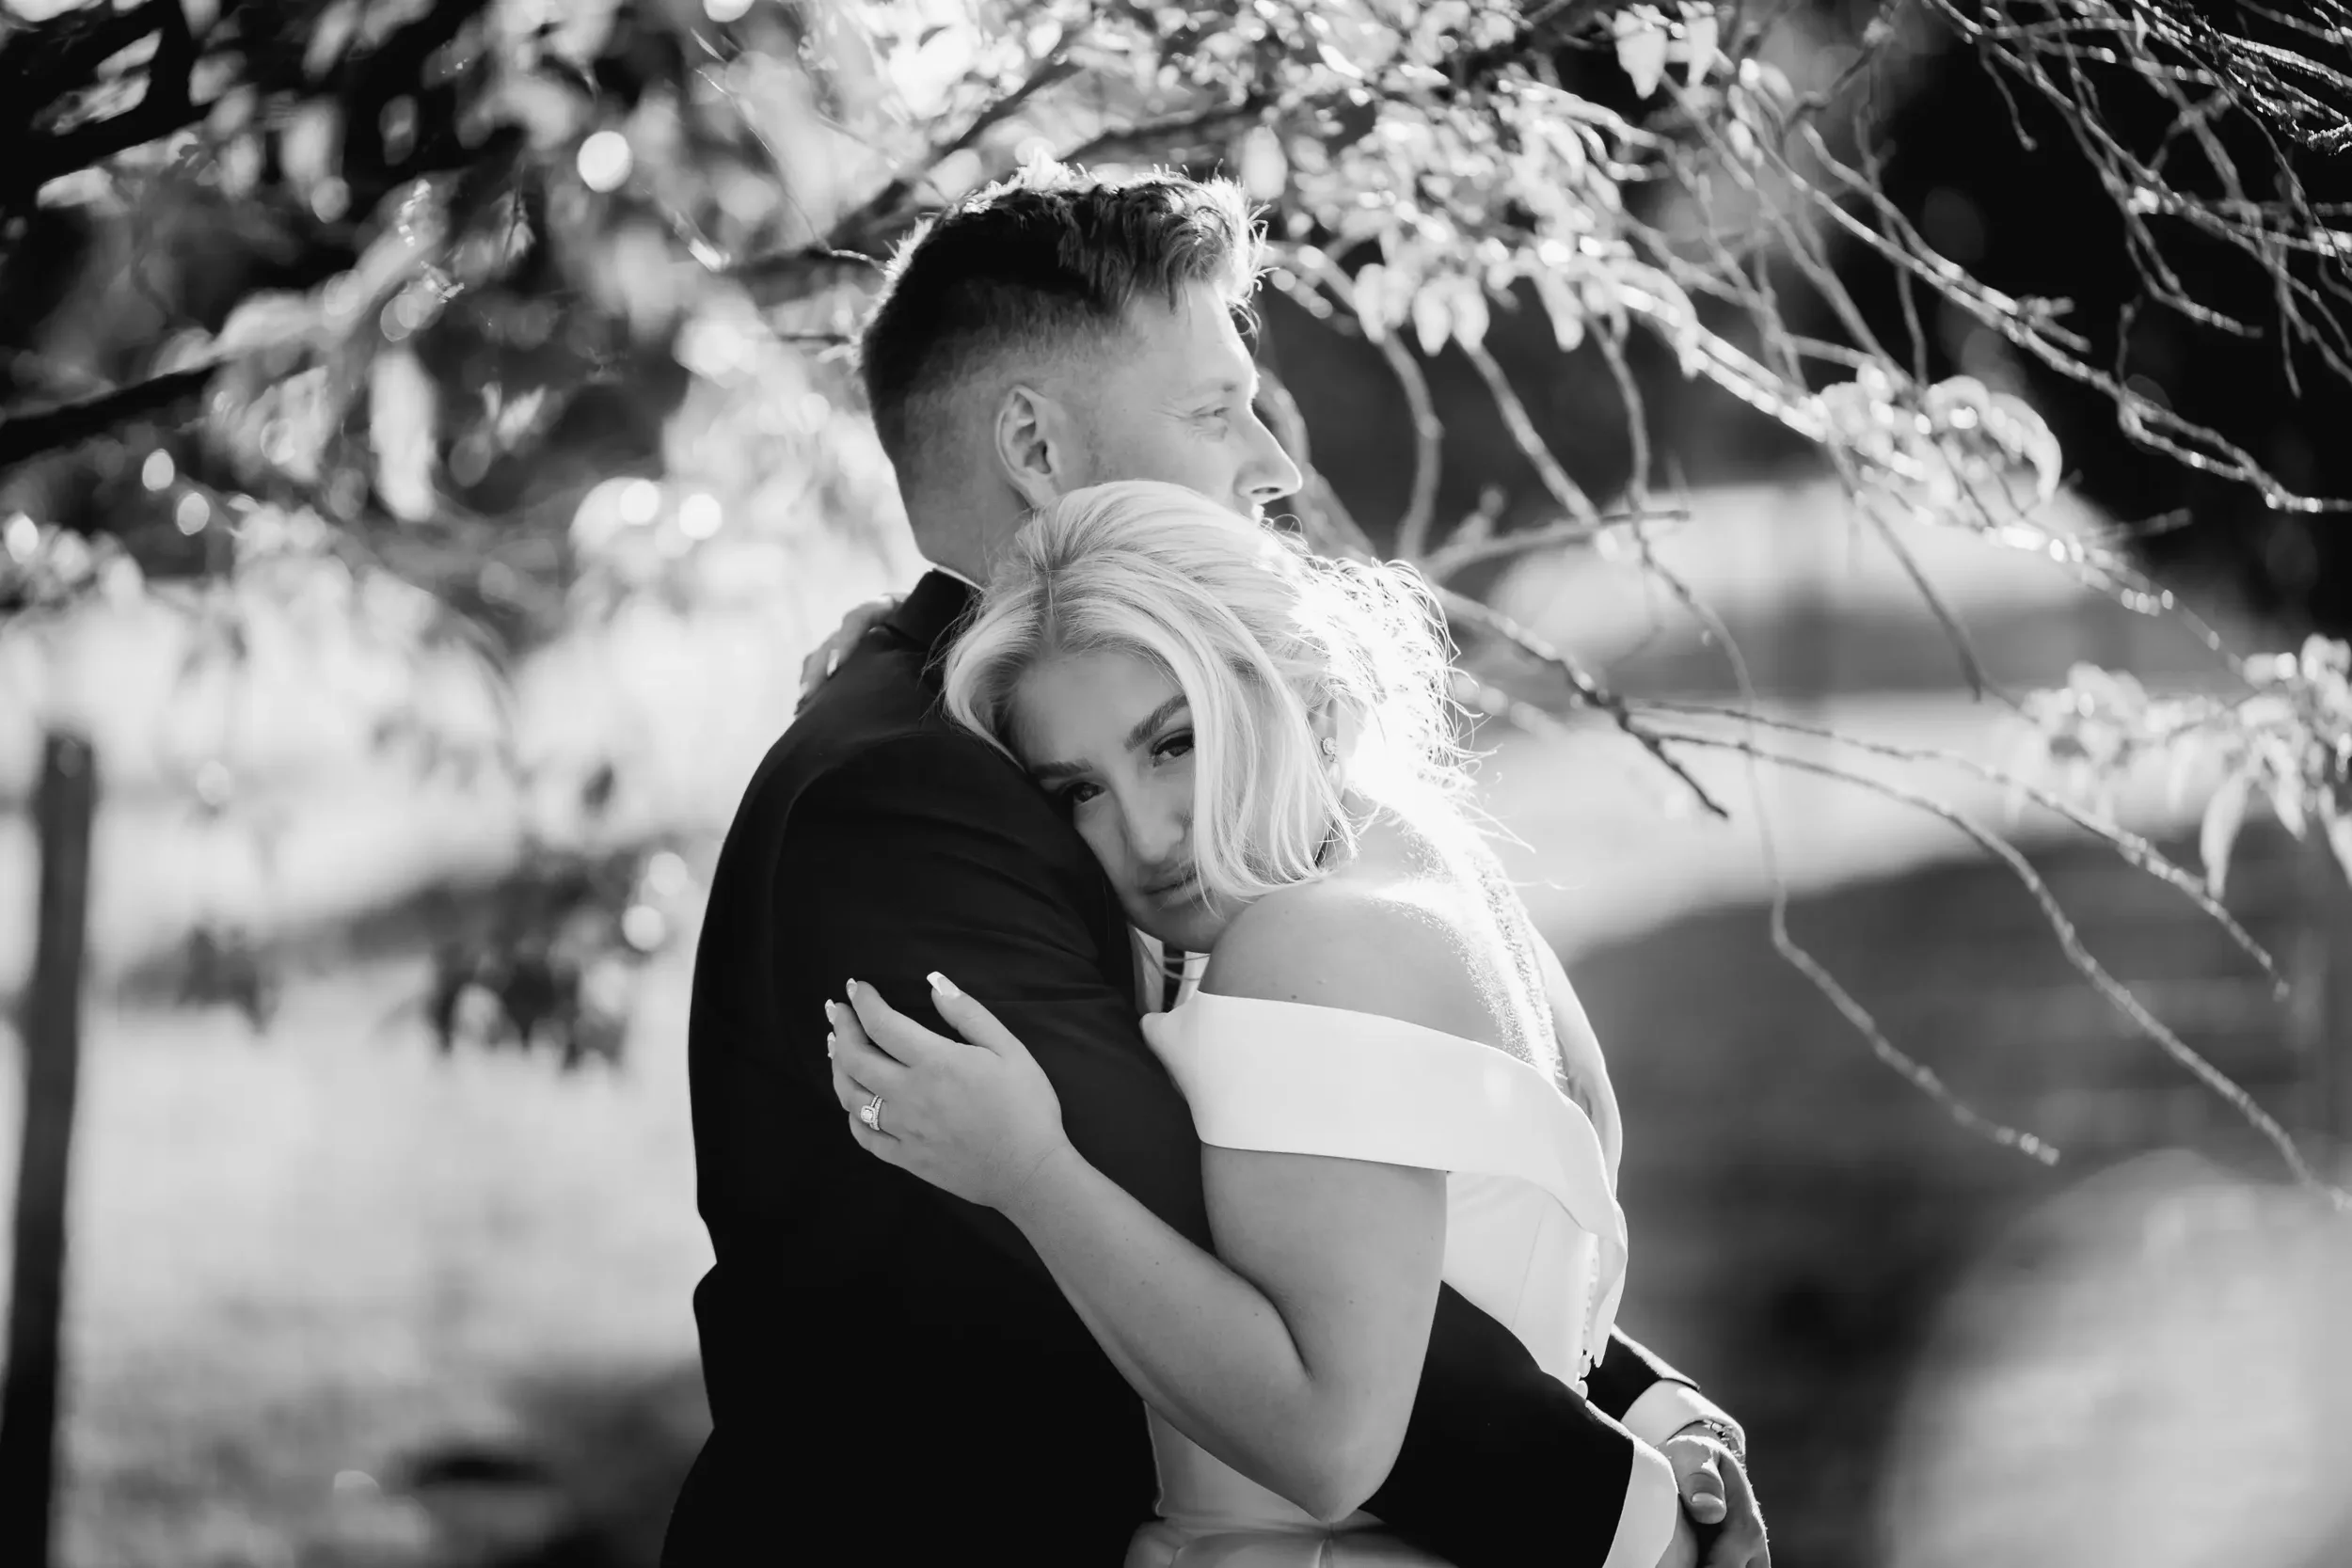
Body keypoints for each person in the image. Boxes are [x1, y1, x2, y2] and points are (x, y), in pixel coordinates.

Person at [661, 163, 1767, 1568]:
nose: (1273, 463)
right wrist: (1624, 1512)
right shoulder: (908, 789)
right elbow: (1206, 1220)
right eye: (1212, 409)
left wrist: (1628, 1393)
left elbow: (1335, 1189)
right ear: (1034, 446)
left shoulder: (1263, 813)